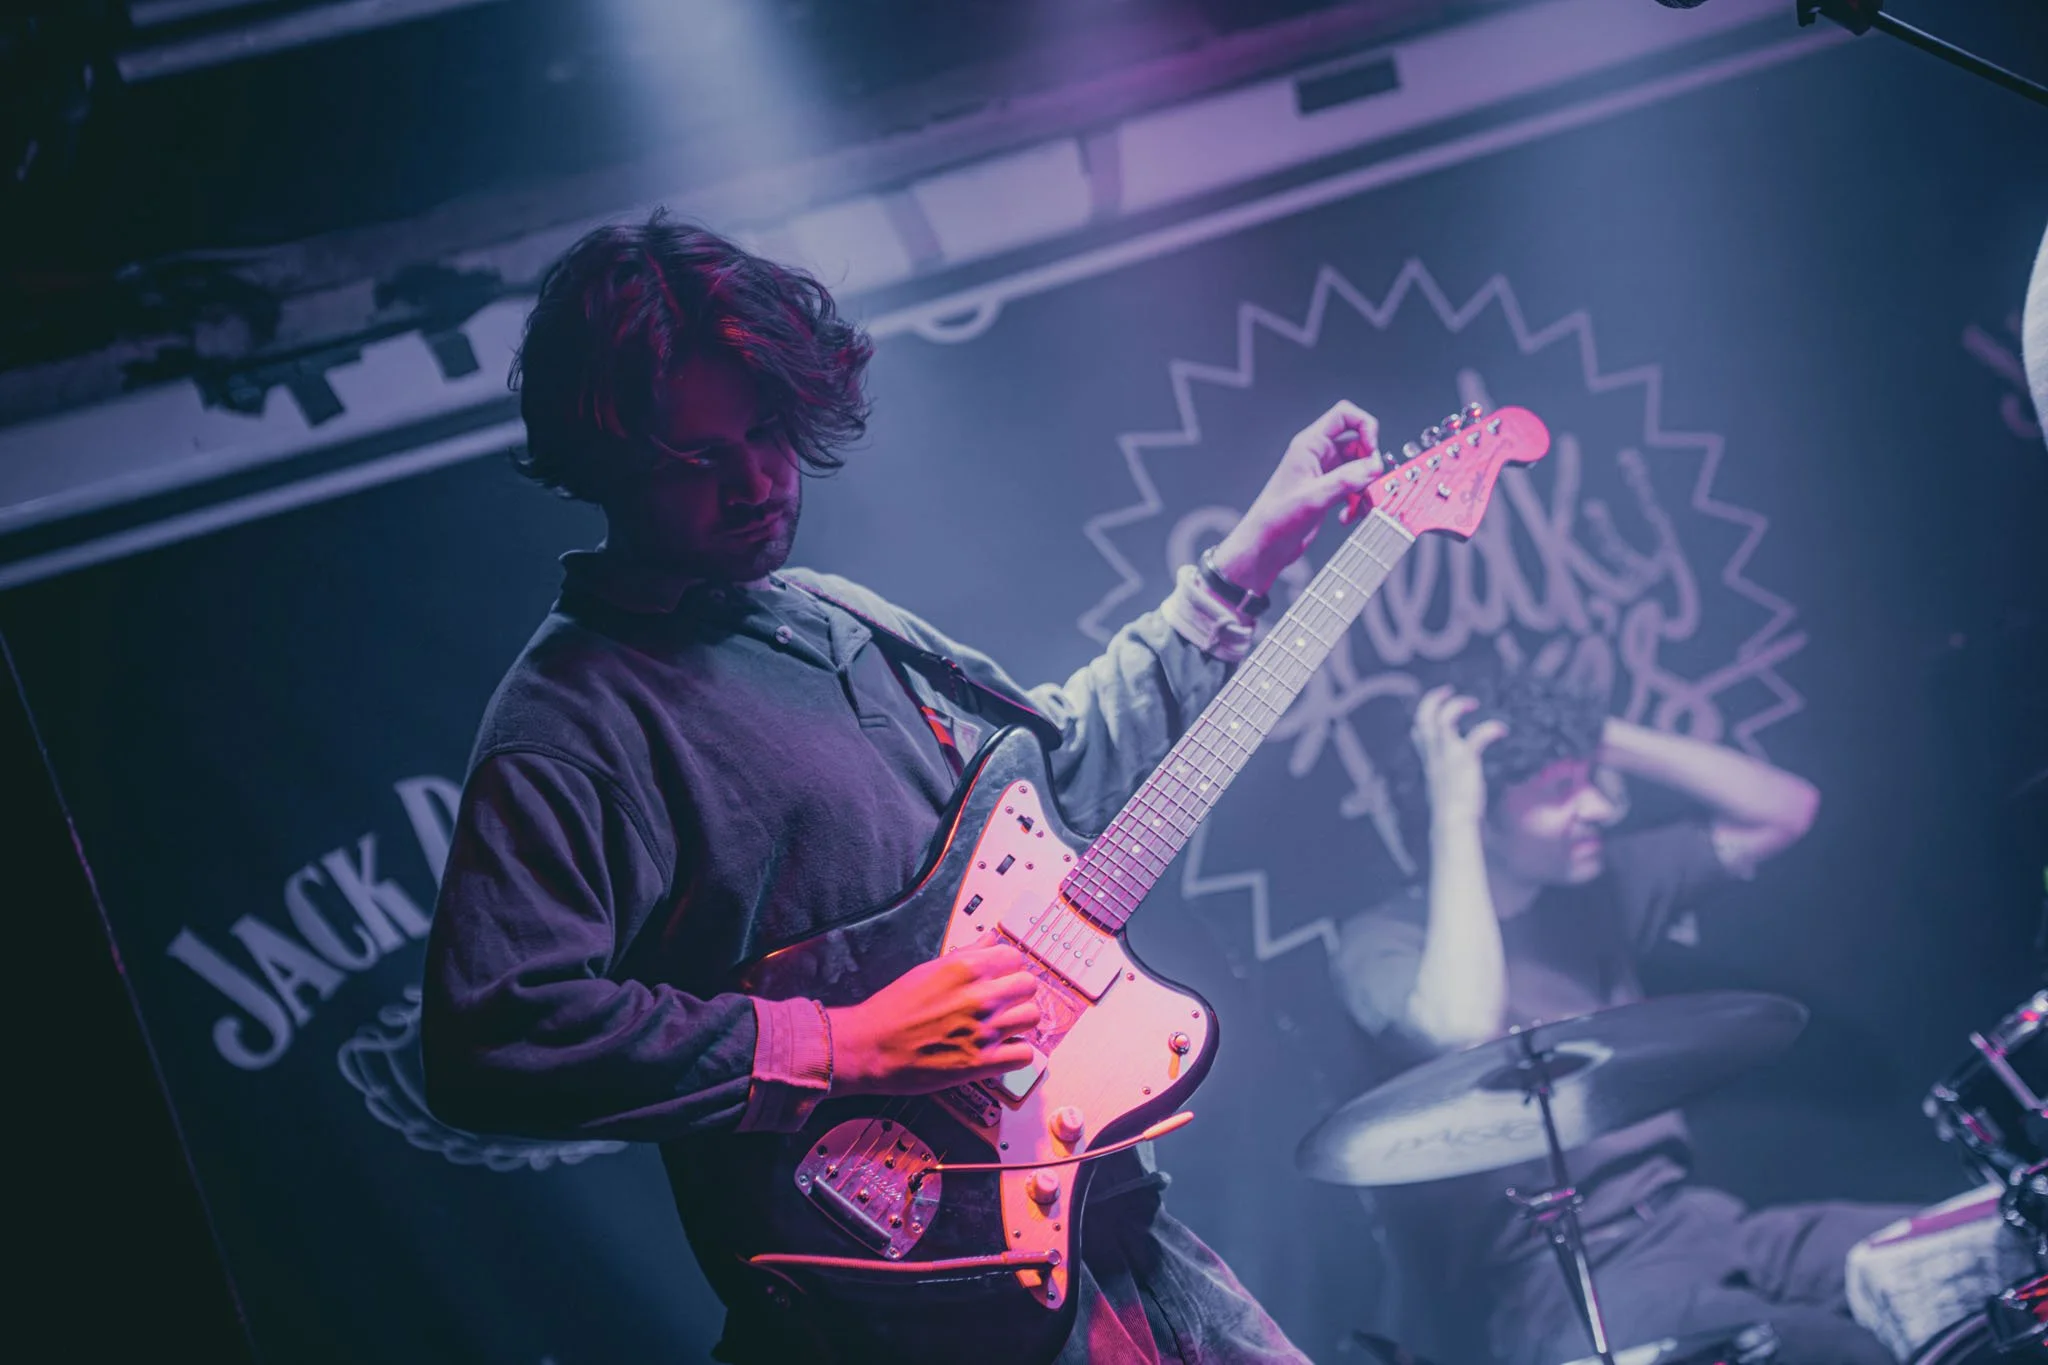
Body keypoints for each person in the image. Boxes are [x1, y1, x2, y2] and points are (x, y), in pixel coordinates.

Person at [418, 211, 1387, 1363]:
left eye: (766, 430)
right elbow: (495, 1034)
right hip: (901, 1315)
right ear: (609, 465)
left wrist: (1248, 561)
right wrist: (835, 1043)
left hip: (1115, 1247)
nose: (755, 481)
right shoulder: (572, 719)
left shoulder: (835, 615)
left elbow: (1062, 776)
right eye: (695, 458)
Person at [1330, 666, 1913, 1365]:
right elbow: (1462, 1028)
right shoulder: (1382, 942)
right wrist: (1452, 812)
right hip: (1571, 1282)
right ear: (1481, 815)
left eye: (1590, 780)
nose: (1600, 808)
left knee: (1958, 1255)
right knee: (1837, 1352)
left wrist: (1585, 733)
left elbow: (1786, 809)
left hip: (1699, 1221)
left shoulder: (1597, 884)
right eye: (1560, 791)